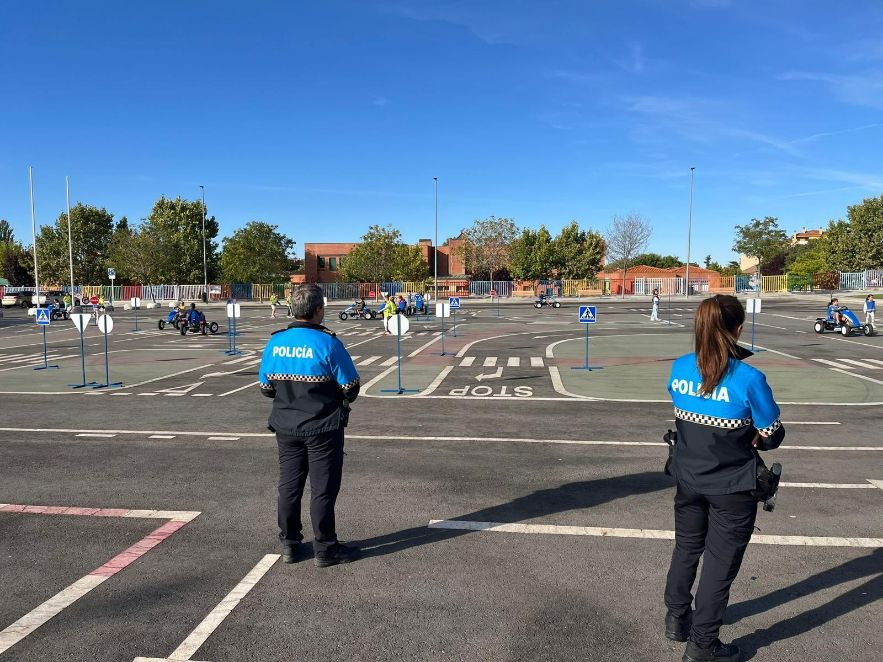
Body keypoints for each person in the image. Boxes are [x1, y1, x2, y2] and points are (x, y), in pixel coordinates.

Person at [663, 295, 785, 662]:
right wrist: (755, 433)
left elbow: (688, 416)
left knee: (686, 547)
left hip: (687, 476)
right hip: (732, 485)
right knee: (720, 563)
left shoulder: (680, 368)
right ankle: (703, 644)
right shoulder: (749, 378)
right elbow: (772, 433)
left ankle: (677, 618)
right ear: (737, 329)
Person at [259, 284, 361, 567]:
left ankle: (290, 543)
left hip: (286, 425)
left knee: (289, 486)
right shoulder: (328, 343)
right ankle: (326, 548)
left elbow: (266, 387)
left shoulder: (275, 342)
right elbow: (351, 386)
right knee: (322, 488)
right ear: (318, 311)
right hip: (323, 426)